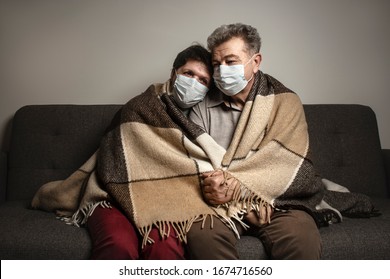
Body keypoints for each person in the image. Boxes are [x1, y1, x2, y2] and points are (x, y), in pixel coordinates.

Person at [186, 23, 322, 259]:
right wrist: (240, 200)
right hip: (217, 202)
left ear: (256, 61)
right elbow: (197, 162)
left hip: (277, 202)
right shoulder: (201, 107)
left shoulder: (285, 102)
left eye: (231, 61)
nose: (222, 70)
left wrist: (251, 194)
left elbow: (289, 164)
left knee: (301, 238)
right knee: (201, 234)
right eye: (217, 64)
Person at [84, 44, 213, 260]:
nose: (194, 82)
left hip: (167, 201)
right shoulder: (139, 107)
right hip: (114, 195)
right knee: (118, 244)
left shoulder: (202, 122)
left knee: (165, 247)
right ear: (174, 73)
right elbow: (114, 157)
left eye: (203, 80)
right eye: (189, 73)